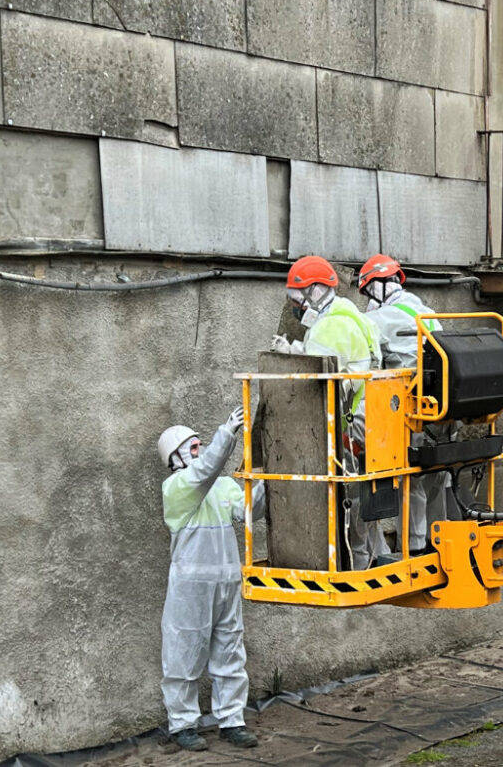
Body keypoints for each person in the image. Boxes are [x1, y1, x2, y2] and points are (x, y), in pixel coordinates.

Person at [270, 255, 390, 569]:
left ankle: (357, 562)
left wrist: (288, 355)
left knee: (350, 492)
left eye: (297, 298)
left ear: (315, 292)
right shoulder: (348, 314)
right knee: (366, 489)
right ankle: (368, 556)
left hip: (351, 419)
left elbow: (316, 374)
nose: (295, 306)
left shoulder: (330, 327)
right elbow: (332, 358)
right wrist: (297, 348)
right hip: (369, 412)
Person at [156, 410, 266, 751]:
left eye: (199, 445)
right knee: (183, 654)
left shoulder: (221, 486)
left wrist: (262, 476)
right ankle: (182, 724)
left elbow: (251, 512)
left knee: (230, 653)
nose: (199, 451)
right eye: (191, 448)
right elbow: (203, 472)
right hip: (190, 587)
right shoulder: (176, 487)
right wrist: (227, 433)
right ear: (174, 458)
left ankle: (232, 720)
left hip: (225, 582)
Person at [359, 254, 451, 555]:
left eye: (369, 291)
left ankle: (414, 547)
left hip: (411, 404)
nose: (368, 299)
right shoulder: (422, 308)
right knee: (435, 475)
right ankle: (440, 541)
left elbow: (365, 352)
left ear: (381, 285)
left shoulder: (381, 318)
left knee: (411, 477)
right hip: (441, 402)